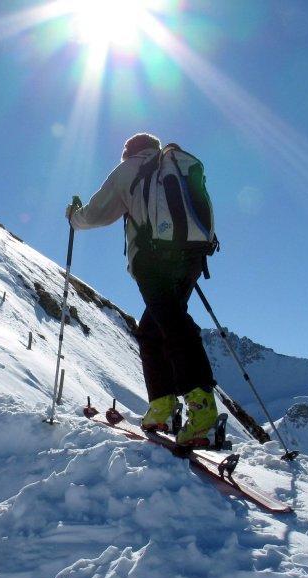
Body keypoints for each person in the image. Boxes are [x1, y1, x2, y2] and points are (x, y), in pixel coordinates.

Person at [66, 133, 218, 447]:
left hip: (153, 260)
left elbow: (95, 215)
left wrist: (73, 217)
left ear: (128, 152)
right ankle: (162, 404)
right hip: (192, 258)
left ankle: (200, 409)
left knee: (172, 325)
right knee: (153, 329)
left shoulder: (130, 169)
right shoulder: (174, 165)